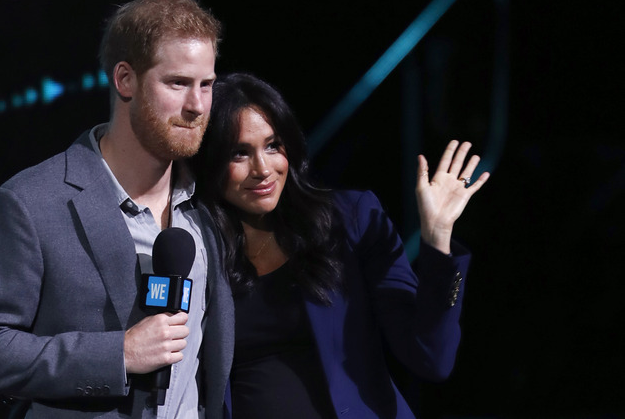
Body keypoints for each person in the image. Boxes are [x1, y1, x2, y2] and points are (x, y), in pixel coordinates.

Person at [0, 0, 235, 419]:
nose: (196, 106)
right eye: (177, 83)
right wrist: (117, 354)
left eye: (206, 85)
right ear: (125, 80)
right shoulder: (30, 203)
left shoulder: (207, 206)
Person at [191, 72, 490, 419]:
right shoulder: (196, 246)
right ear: (210, 162)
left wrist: (437, 239)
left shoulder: (352, 220)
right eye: (239, 154)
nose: (263, 169)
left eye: (273, 146)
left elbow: (431, 357)